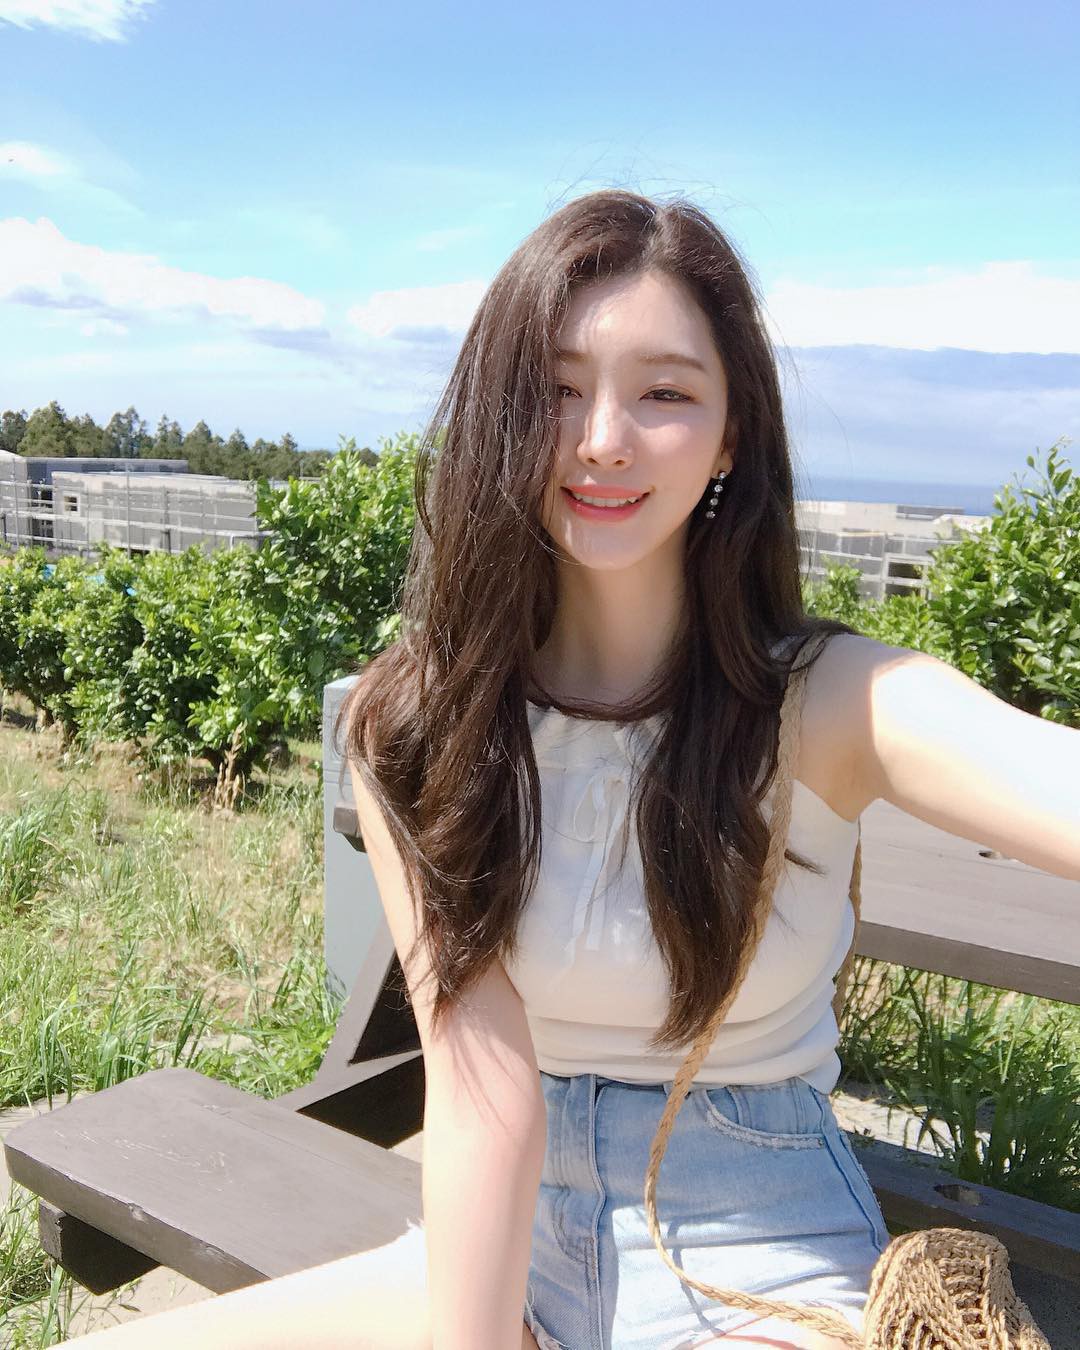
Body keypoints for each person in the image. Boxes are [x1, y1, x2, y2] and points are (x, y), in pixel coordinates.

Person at [69, 190, 1080, 1349]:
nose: (602, 438)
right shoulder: (417, 723)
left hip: (750, 1244)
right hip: (500, 1224)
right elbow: (482, 1088)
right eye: (555, 390)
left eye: (665, 393)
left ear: (732, 435)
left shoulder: (830, 702)